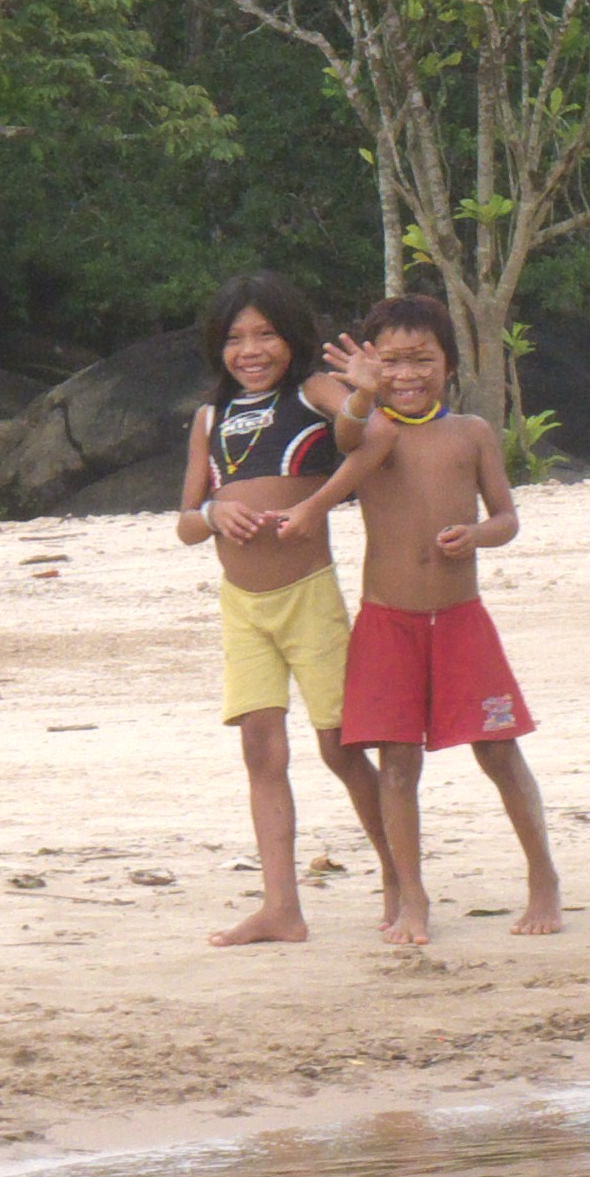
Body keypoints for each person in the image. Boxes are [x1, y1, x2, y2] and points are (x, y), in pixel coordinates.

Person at [276, 294, 560, 947]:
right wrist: (360, 392)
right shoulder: (370, 430)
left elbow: (507, 518)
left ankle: (543, 876)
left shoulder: (472, 433)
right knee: (398, 765)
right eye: (392, 362)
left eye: (423, 360)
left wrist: (478, 534)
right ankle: (412, 894)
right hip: (388, 622)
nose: (408, 375)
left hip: (461, 620)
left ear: (449, 365)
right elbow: (347, 433)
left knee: (500, 751)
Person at [174, 273, 393, 946]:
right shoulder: (210, 418)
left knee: (341, 746)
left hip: (309, 597)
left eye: (265, 334)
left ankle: (399, 877)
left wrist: (361, 397)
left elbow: (367, 435)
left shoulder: (310, 392)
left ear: (292, 337)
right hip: (242, 607)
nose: (250, 350)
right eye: (235, 338)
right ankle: (281, 907)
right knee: (260, 750)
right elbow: (185, 520)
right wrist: (214, 512)